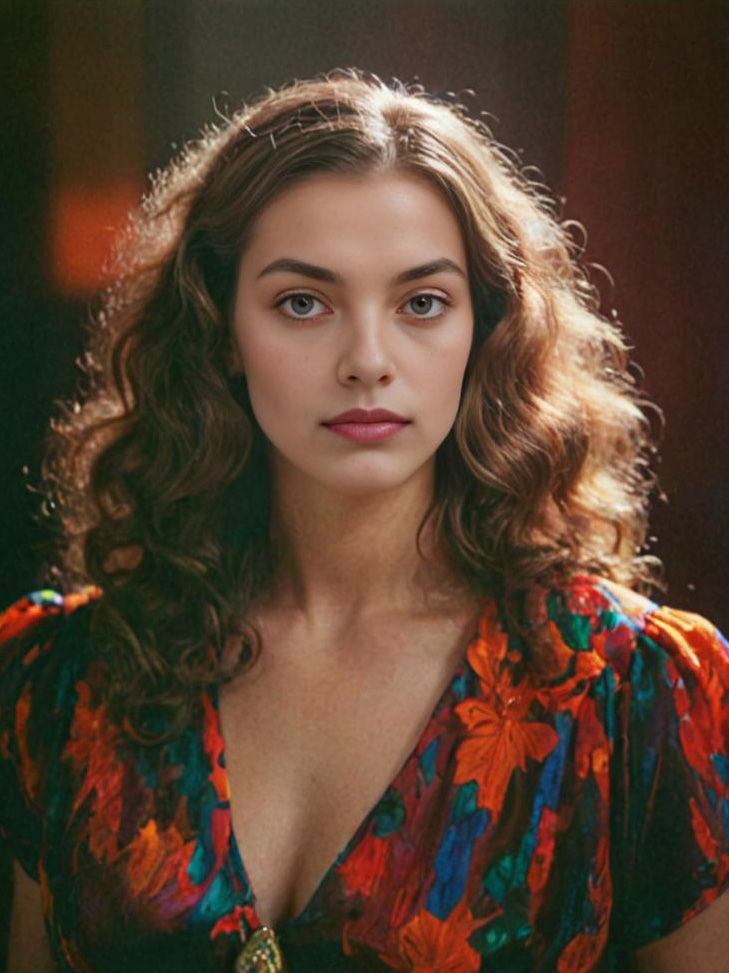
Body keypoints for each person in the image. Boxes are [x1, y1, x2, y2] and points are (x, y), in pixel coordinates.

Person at [1, 68, 728, 973]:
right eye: (302, 302)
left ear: (484, 329)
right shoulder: (66, 681)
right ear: (221, 328)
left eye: (422, 302)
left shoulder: (631, 694)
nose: (367, 361)